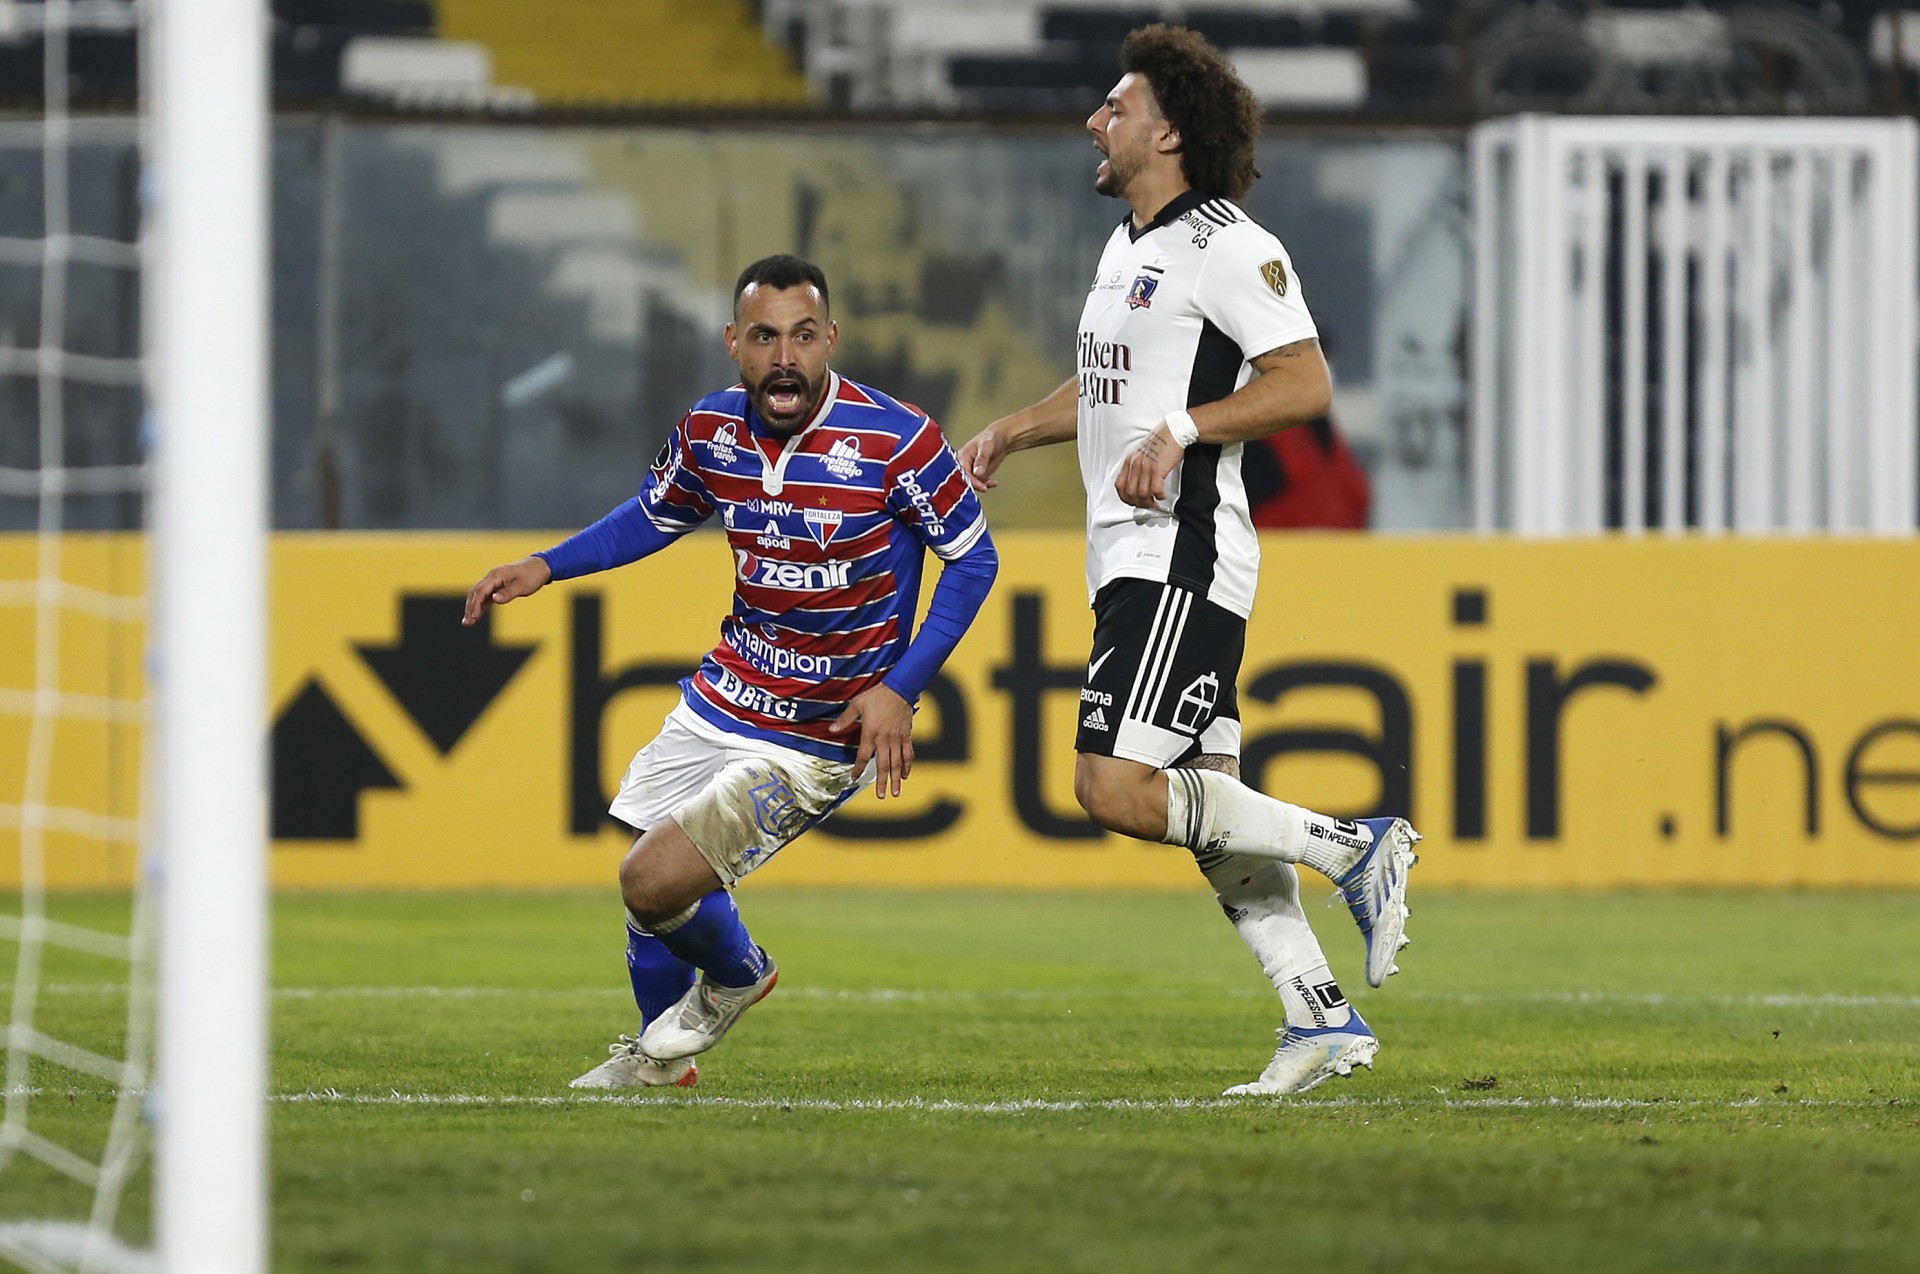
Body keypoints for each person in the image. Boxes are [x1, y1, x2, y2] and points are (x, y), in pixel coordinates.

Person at [957, 26, 1417, 1097]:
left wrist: (1186, 432)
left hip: (1183, 553)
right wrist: (1016, 429)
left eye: (1113, 106)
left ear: (1166, 130)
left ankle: (1356, 841)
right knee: (1210, 804)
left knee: (1112, 784)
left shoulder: (1230, 246)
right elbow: (1112, 387)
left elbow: (1302, 384)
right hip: (1129, 554)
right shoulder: (1128, 247)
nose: (1094, 120)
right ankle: (1321, 1015)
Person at [465, 254, 998, 1089]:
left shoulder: (900, 439)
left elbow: (973, 562)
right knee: (652, 879)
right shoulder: (711, 431)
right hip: (728, 691)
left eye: (803, 336)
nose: (784, 357)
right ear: (734, 345)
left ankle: (741, 973)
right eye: (764, 337)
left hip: (822, 728)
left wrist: (900, 688)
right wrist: (547, 565)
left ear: (831, 341)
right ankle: (661, 1065)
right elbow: (652, 516)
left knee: (651, 878)